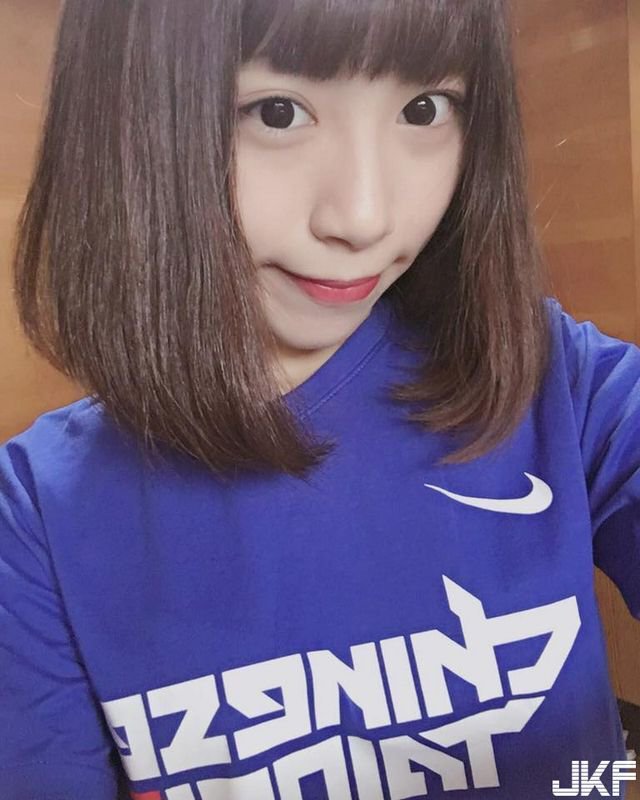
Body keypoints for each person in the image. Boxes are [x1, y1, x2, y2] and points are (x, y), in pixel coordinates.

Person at [1, 0, 639, 798]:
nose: (365, 217)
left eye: (424, 109)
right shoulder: (36, 520)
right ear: (127, 122)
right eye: (277, 112)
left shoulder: (554, 380)